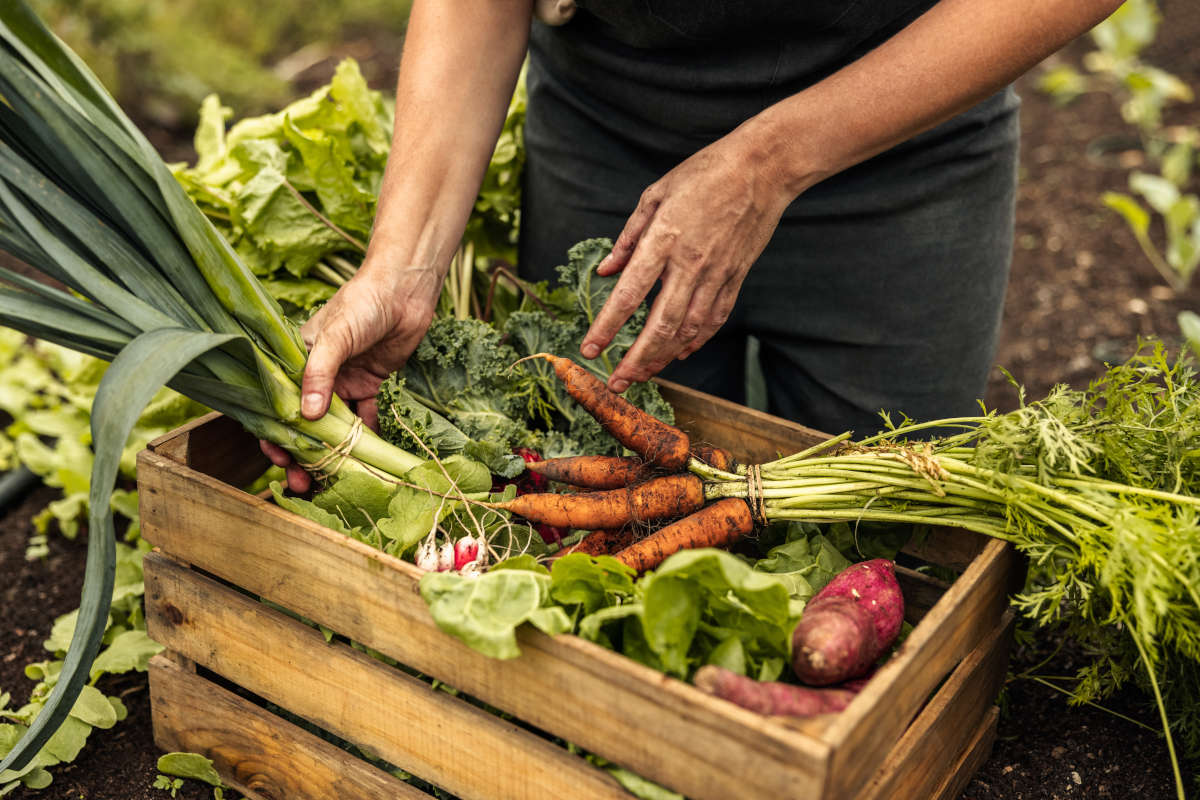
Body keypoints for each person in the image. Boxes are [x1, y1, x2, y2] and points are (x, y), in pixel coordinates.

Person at [262, 0, 1124, 492]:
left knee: (881, 543)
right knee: (586, 495)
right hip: (613, 134)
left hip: (903, 149)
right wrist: (404, 267)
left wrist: (769, 162)